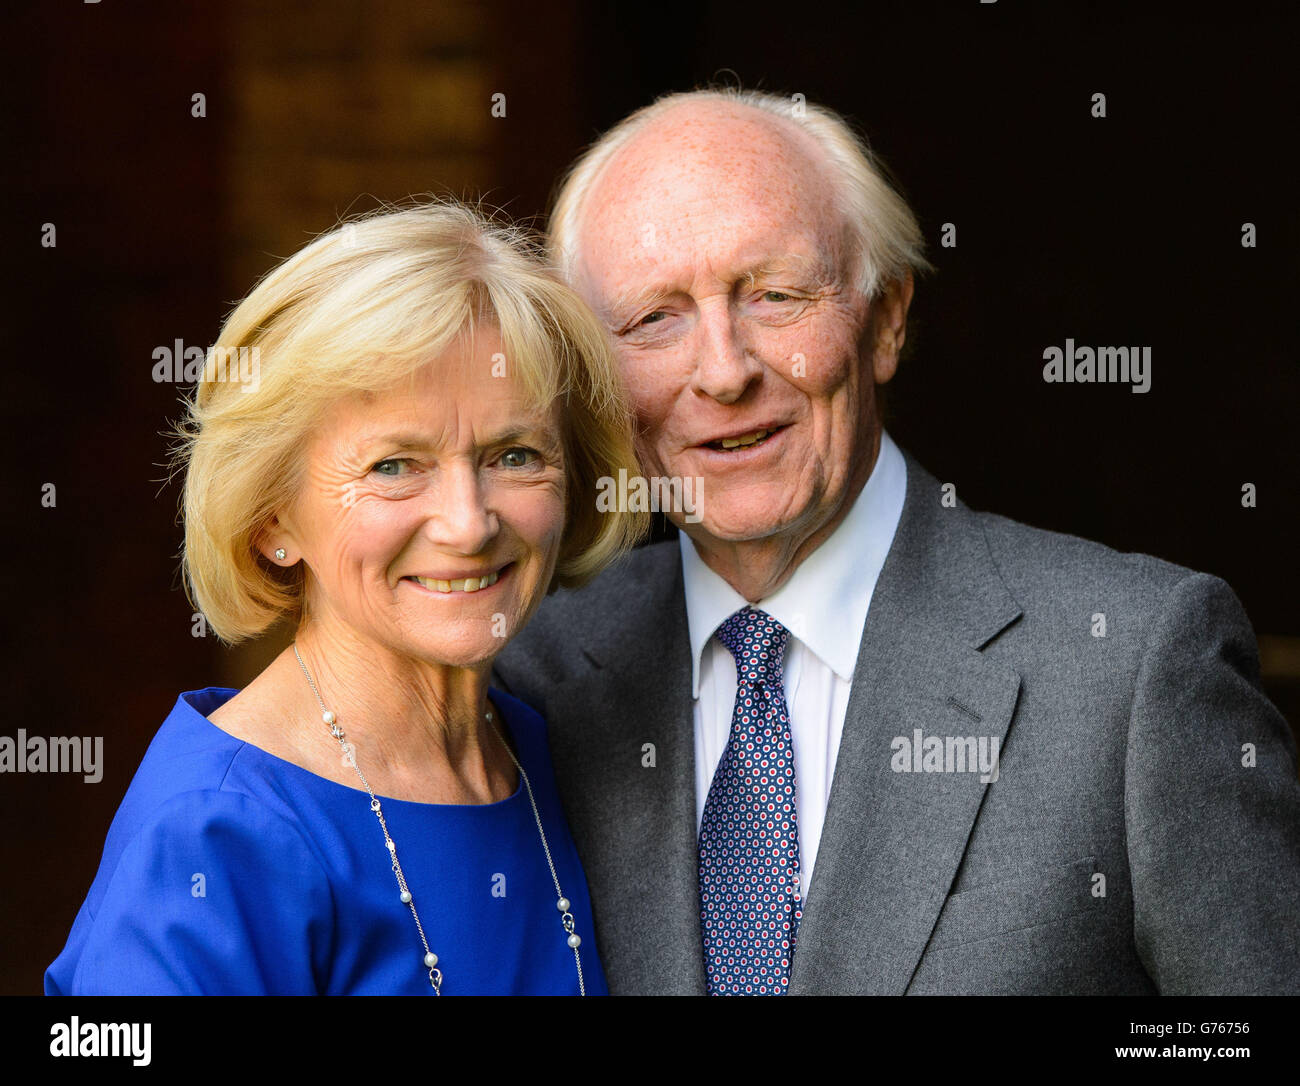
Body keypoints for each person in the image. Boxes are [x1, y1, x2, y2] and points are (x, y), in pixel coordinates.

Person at [493, 88, 1300, 995]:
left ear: (886, 320)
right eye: (653, 320)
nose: (722, 372)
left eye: (776, 295)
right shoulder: (532, 678)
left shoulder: (1137, 663)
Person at [45, 200, 646, 995]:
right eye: (395, 465)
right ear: (271, 520)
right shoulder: (216, 832)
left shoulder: (549, 753)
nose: (468, 524)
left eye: (514, 453)